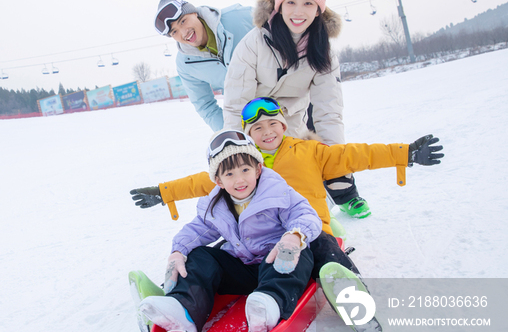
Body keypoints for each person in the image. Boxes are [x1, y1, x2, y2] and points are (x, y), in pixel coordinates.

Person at [130, 96, 443, 283]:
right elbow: (201, 181)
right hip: (261, 239)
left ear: (284, 125)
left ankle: (349, 286)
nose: (267, 133)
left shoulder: (310, 151)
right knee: (213, 254)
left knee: (324, 249)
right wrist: (163, 192)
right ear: (249, 135)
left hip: (309, 232)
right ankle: (183, 293)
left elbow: (358, 154)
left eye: (273, 125)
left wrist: (406, 153)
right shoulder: (244, 165)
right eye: (257, 129)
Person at [137, 130, 322, 332]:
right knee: (200, 255)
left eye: (245, 170)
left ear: (258, 169)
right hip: (242, 269)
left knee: (300, 251)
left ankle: (269, 304)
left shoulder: (278, 192)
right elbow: (196, 230)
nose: (240, 179)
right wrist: (178, 251)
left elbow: (305, 214)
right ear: (218, 181)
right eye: (230, 174)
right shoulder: (216, 206)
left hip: (278, 264)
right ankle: (183, 309)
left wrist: (294, 236)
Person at [220, 0, 369, 219]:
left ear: (319, 11)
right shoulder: (253, 44)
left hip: (291, 123)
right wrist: (234, 153)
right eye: (291, 1)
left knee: (303, 168)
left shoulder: (324, 53)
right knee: (257, 177)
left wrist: (335, 160)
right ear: (279, 5)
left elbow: (328, 112)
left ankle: (343, 195)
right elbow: (235, 104)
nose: (298, 12)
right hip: (255, 122)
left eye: (309, 4)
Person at [154, 0, 253, 131]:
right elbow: (205, 105)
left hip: (285, 103)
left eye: (183, 21)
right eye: (174, 32)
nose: (184, 33)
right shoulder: (186, 64)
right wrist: (231, 133)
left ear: (194, 13)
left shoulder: (238, 17)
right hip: (251, 119)